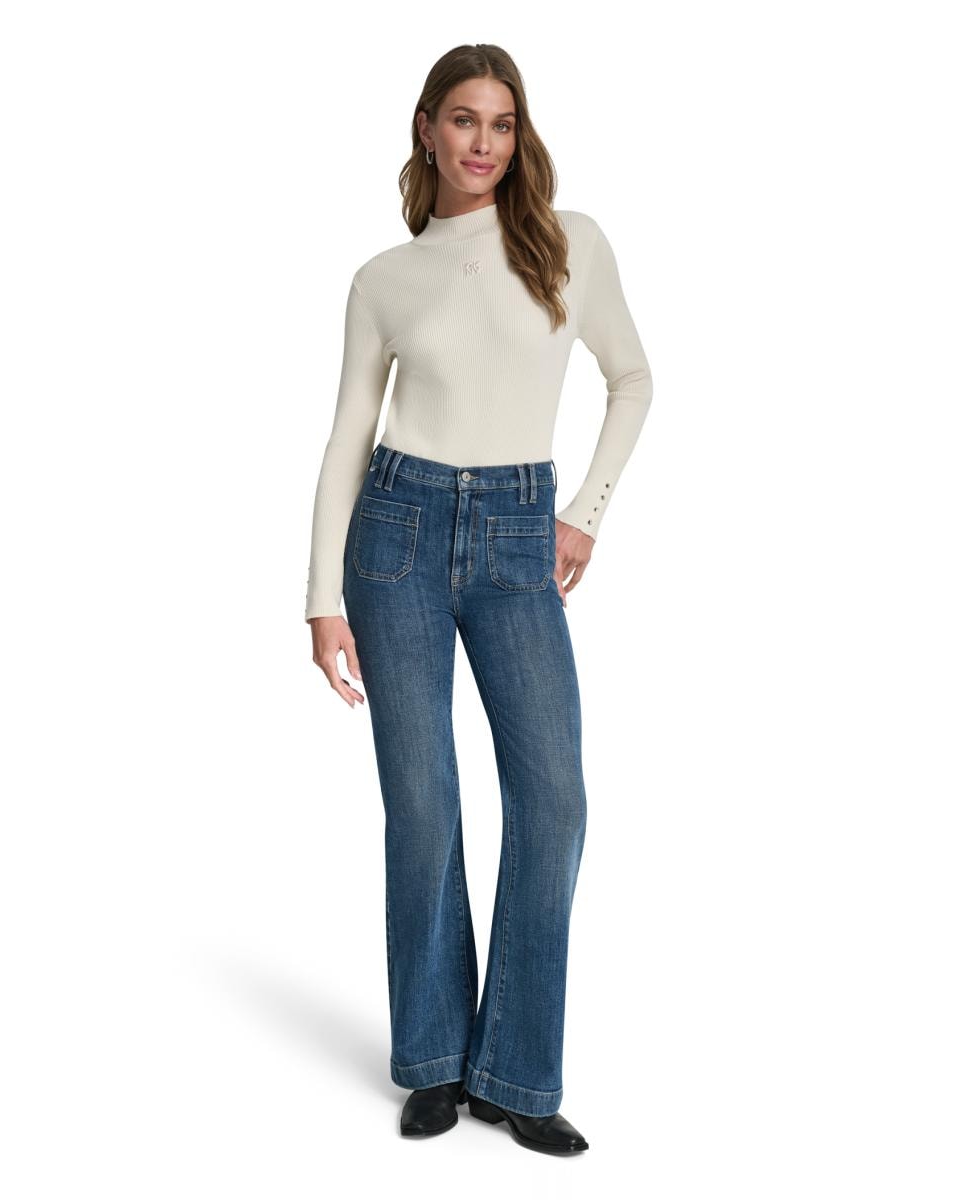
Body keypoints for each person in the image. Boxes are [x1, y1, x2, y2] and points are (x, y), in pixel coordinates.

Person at [305, 44, 653, 1156]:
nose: (484, 143)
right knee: (423, 805)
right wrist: (320, 596)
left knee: (552, 801)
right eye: (464, 120)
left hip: (516, 532)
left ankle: (515, 1073)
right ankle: (433, 1062)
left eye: (502, 124)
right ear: (427, 127)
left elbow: (633, 378)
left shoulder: (569, 242)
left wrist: (583, 513)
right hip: (396, 534)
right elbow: (348, 436)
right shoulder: (384, 278)